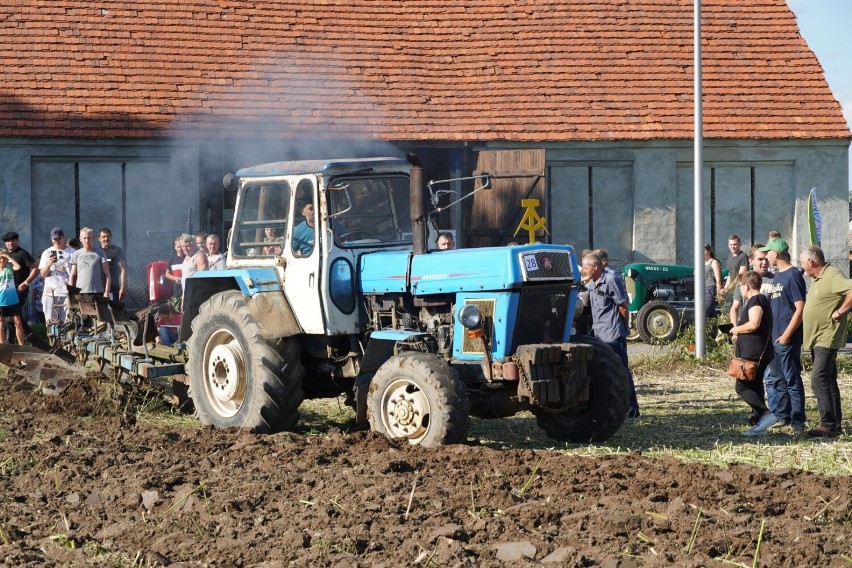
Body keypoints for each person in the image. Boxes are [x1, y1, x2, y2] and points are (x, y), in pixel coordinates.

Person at [799, 245, 852, 438]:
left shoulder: (832, 275)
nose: (802, 267)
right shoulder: (818, 278)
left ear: (811, 262)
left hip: (827, 337)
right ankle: (835, 424)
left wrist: (841, 311)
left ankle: (828, 424)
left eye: (802, 262)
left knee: (818, 378)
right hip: (818, 337)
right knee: (828, 379)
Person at [581, 251, 640, 418]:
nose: (583, 270)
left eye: (586, 267)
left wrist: (622, 328)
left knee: (621, 369)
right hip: (599, 333)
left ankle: (632, 407)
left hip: (613, 332)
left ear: (596, 266)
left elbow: (622, 306)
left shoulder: (611, 279)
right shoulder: (592, 282)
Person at [759, 238, 806, 432]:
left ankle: (798, 421)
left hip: (787, 339)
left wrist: (786, 335)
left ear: (776, 254)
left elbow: (800, 308)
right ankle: (782, 415)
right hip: (775, 338)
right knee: (777, 379)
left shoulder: (793, 275)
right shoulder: (777, 277)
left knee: (792, 379)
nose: (766, 256)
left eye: (768, 252)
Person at [728, 244, 775, 420]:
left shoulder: (756, 300)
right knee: (754, 385)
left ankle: (765, 413)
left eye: (741, 286)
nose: (740, 289)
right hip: (752, 350)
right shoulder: (756, 300)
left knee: (741, 387)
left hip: (755, 352)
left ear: (747, 286)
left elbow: (753, 324)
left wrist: (736, 329)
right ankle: (758, 418)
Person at [2, 231, 38, 344]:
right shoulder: (4, 256)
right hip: (6, 291)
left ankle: (15, 344)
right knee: (10, 319)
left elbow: (35, 268)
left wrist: (26, 282)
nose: (10, 243)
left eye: (13, 240)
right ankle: (12, 344)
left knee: (13, 318)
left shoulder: (23, 253)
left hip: (19, 289)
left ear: (17, 241)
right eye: (8, 241)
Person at [38, 227, 76, 323]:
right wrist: (49, 264)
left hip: (67, 292)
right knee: (51, 322)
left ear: (63, 237)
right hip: (50, 292)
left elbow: (77, 274)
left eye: (58, 238)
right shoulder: (47, 253)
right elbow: (42, 274)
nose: (56, 241)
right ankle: (52, 338)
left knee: (67, 322)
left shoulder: (72, 252)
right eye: (54, 239)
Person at [69, 227, 110, 300]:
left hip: (98, 292)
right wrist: (70, 293)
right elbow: (72, 275)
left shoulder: (100, 253)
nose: (87, 240)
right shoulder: (76, 254)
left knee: (99, 312)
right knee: (83, 312)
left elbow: (107, 274)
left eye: (89, 238)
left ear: (93, 238)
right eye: (84, 238)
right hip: (81, 292)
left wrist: (106, 292)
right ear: (80, 239)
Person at [0, 251, 27, 345]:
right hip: (1, 300)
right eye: (0, 258)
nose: (2, 260)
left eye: (3, 258)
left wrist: (7, 256)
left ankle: (21, 346)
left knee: (18, 322)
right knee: (1, 324)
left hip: (12, 300)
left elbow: (18, 267)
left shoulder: (9, 268)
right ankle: (2, 346)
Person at [98, 227, 127, 301]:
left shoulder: (117, 251)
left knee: (112, 312)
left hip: (113, 290)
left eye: (108, 236)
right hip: (98, 290)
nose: (106, 239)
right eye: (103, 237)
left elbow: (122, 269)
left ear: (111, 237)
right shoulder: (96, 252)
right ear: (99, 238)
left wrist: (122, 287)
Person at [722, 235, 749, 300]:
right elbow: (730, 274)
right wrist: (725, 289)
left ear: (740, 244)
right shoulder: (730, 256)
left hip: (740, 288)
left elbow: (741, 275)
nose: (732, 247)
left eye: (735, 244)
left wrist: (729, 288)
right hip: (731, 289)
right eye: (730, 245)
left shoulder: (743, 257)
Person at [704, 244, 723, 317]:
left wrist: (719, 292)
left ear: (709, 251)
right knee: (711, 316)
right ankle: (713, 328)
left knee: (703, 314)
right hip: (702, 290)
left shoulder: (714, 262)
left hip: (710, 289)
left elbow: (718, 279)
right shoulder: (701, 263)